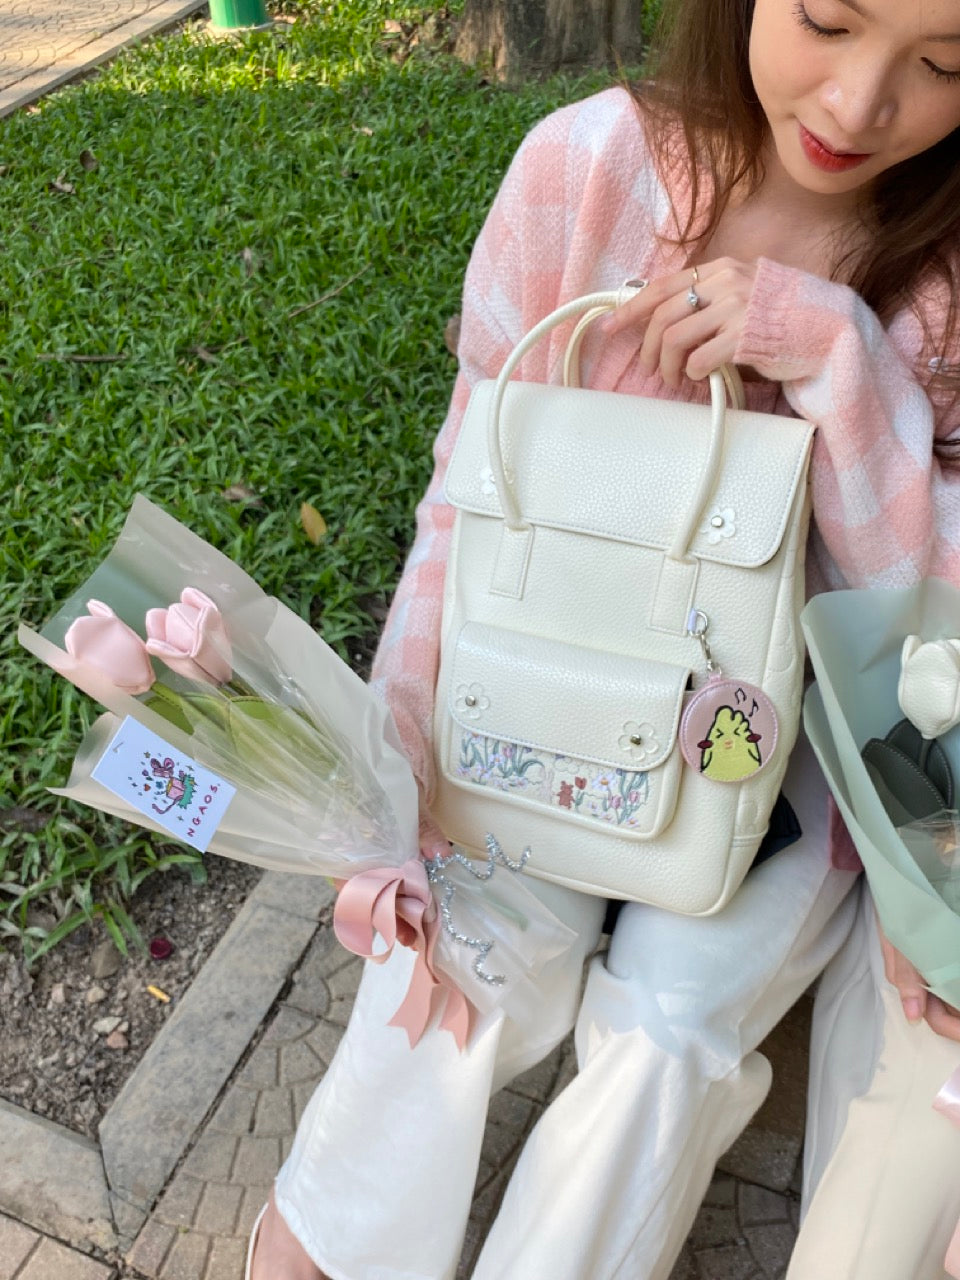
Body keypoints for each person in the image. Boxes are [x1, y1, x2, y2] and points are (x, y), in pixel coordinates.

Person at [248, 0, 960, 1275]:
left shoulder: (939, 283)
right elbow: (472, 479)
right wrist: (404, 726)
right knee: (464, 945)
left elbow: (922, 618)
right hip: (543, 685)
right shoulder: (587, 168)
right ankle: (320, 1246)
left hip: (772, 754)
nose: (860, 103)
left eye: (945, 64)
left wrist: (840, 357)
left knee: (667, 1030)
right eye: (827, 20)